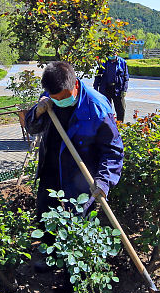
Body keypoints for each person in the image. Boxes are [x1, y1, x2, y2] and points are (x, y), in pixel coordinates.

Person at [23, 60, 124, 219]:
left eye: (65, 97)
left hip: (80, 179)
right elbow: (32, 128)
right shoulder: (49, 97)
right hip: (50, 172)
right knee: (46, 221)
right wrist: (37, 112)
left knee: (77, 224)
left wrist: (104, 181)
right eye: (55, 98)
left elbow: (112, 150)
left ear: (75, 84)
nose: (60, 102)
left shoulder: (96, 108)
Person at [94, 54, 129, 121]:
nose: (112, 56)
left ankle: (120, 126)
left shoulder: (122, 62)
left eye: (113, 54)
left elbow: (126, 77)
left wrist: (124, 89)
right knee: (106, 110)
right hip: (105, 89)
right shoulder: (103, 62)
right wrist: (96, 89)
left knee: (121, 110)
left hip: (118, 89)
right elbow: (97, 76)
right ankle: (108, 127)